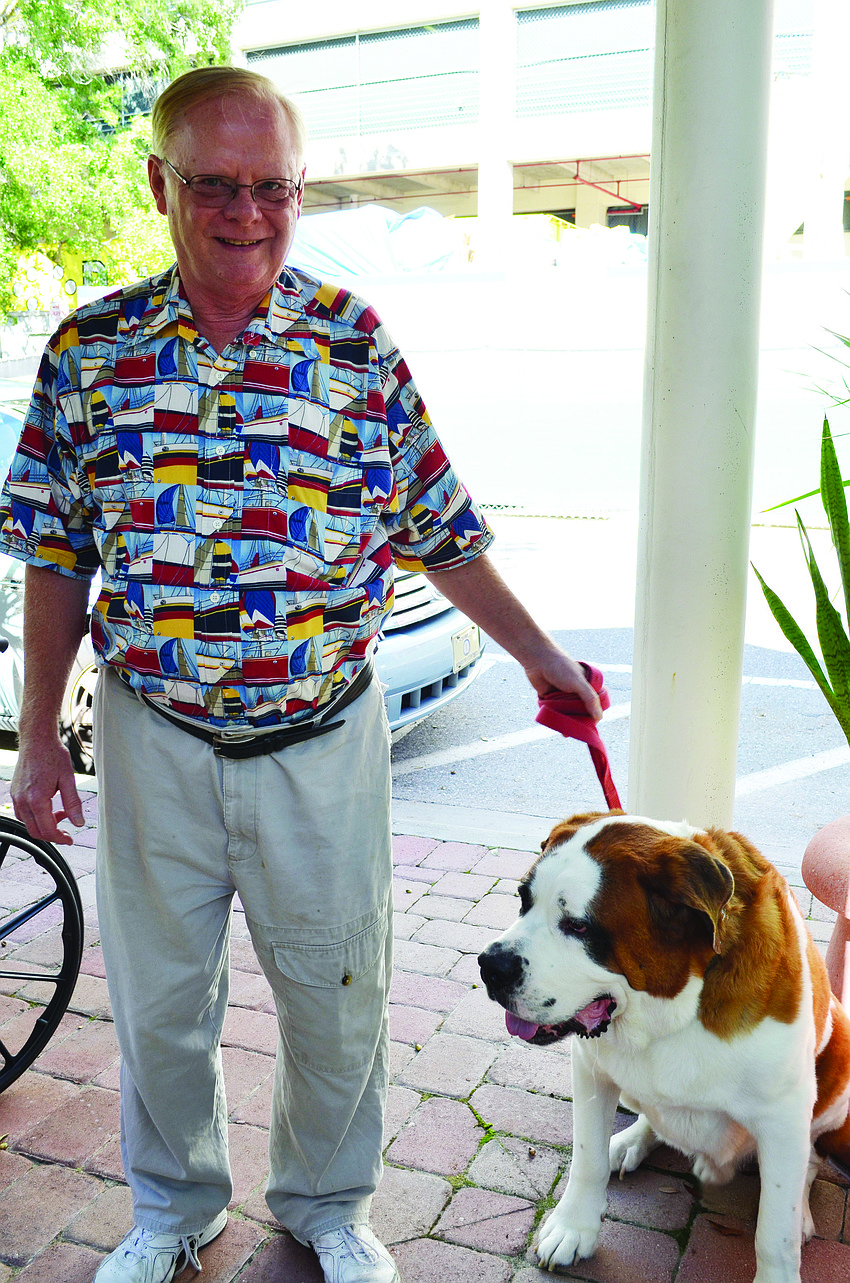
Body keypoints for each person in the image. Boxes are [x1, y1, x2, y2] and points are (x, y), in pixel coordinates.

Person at [0, 66, 602, 1283]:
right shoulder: (91, 349)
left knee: (336, 997)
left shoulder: (353, 340)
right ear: (159, 183)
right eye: (214, 184)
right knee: (165, 1003)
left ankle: (329, 1203)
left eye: (271, 185)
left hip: (321, 741)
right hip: (154, 735)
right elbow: (56, 552)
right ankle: (172, 1206)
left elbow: (438, 524)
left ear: (299, 188)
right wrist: (39, 734)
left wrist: (541, 655)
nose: (245, 211)